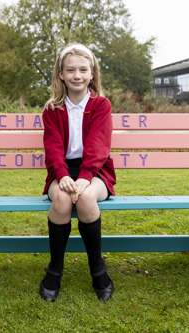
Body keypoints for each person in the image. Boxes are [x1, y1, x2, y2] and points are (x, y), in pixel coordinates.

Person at [40, 43, 116, 302]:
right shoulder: (52, 108)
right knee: (61, 199)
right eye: (70, 70)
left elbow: (98, 146)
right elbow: (52, 148)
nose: (77, 75)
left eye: (83, 70)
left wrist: (84, 177)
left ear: (92, 73)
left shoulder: (100, 105)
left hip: (96, 171)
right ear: (60, 73)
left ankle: (98, 270)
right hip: (61, 170)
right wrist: (62, 175)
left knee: (85, 197)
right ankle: (54, 270)